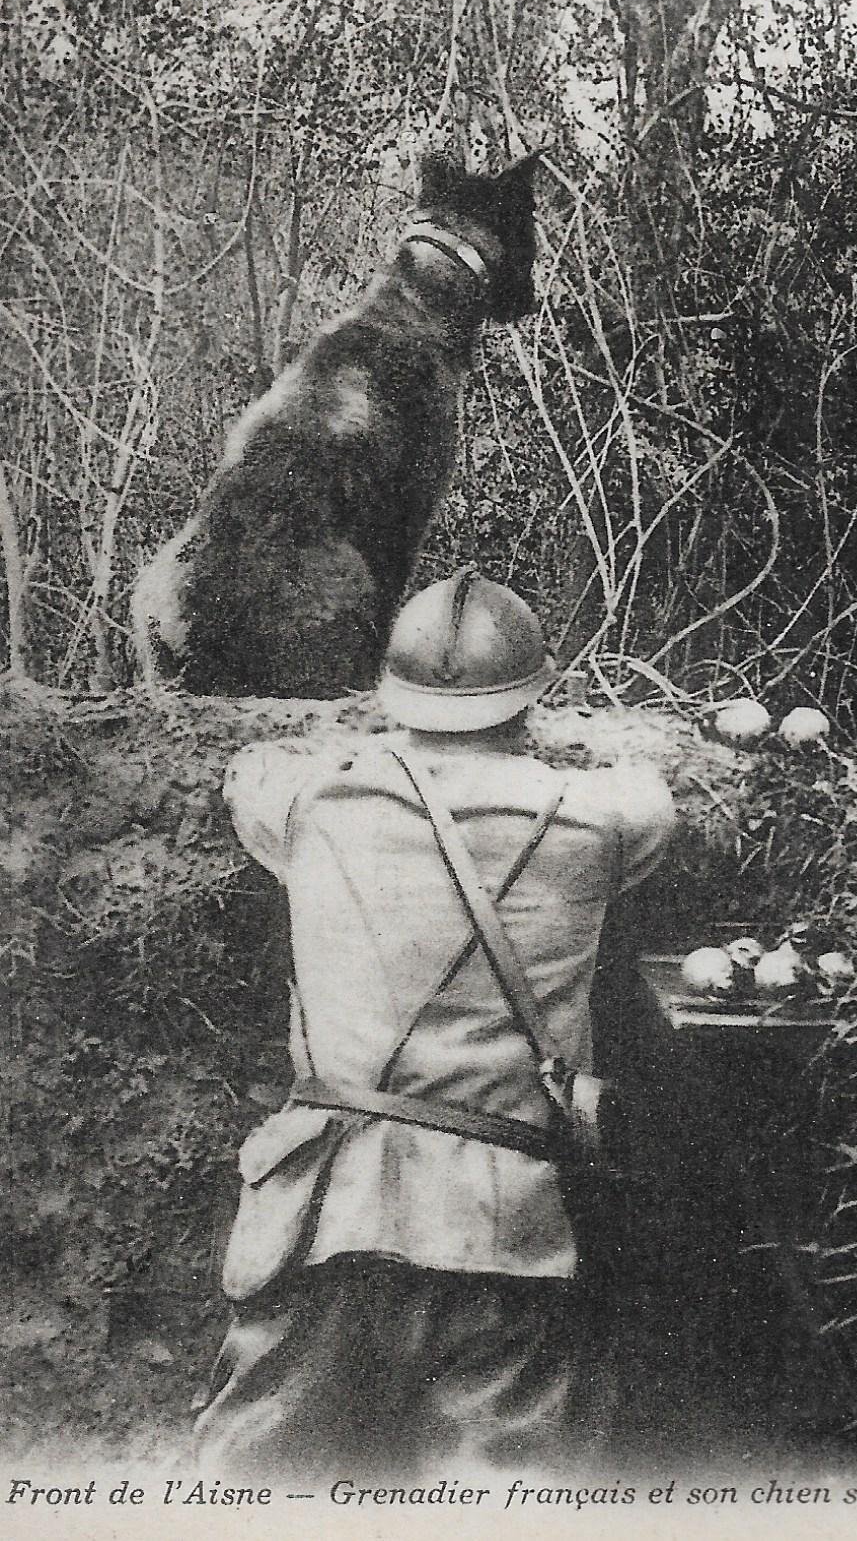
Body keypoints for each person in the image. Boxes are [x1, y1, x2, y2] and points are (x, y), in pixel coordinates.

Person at [193, 566, 675, 1479]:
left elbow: (252, 769)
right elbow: (651, 791)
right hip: (502, 1230)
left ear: (393, 694)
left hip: (320, 1218)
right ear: (531, 696)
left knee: (251, 1492)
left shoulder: (315, 802)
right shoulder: (600, 820)